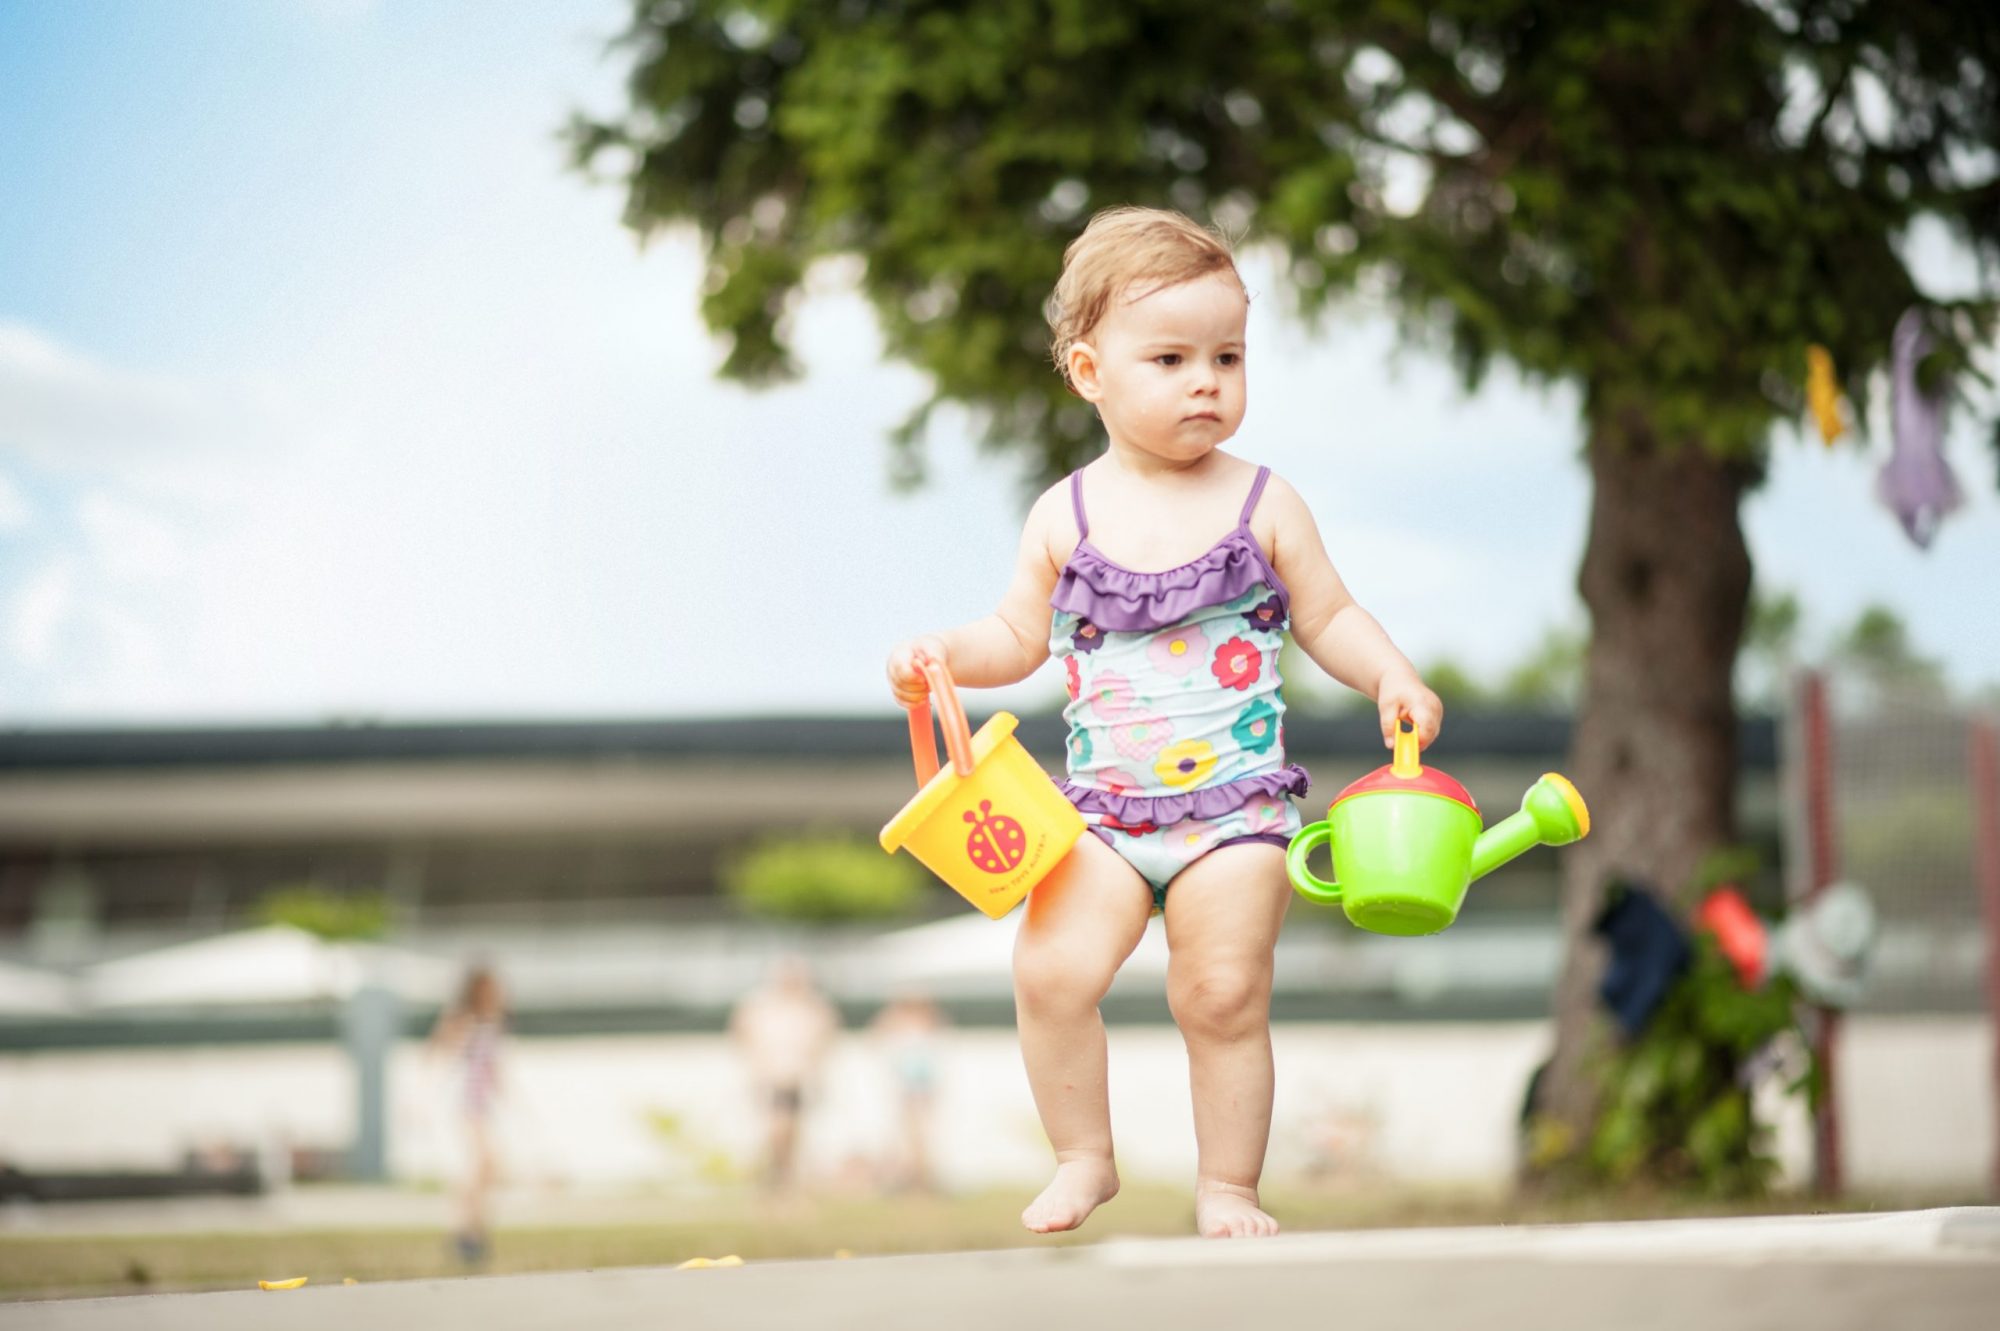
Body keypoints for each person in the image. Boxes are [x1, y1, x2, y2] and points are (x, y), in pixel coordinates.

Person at [885, 207, 1442, 1239]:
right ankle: (1082, 1154)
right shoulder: (1067, 515)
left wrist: (1389, 674)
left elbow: (1327, 613)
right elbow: (1018, 634)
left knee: (1220, 989)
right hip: (1101, 816)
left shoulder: (1263, 504)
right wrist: (944, 657)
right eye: (1172, 357)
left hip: (1234, 812)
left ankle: (1227, 1183)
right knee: (1048, 971)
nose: (1206, 379)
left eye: (1227, 355)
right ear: (1090, 371)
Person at [728, 956, 839, 1194]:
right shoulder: (761, 1005)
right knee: (778, 1131)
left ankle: (783, 1183)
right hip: (772, 1077)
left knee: (792, 1133)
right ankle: (776, 1181)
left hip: (797, 1077)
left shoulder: (812, 1006)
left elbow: (825, 1036)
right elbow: (742, 1033)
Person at [427, 964, 507, 1265]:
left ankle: (473, 1228)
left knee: (487, 1168)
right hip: (463, 1104)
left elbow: (495, 1068)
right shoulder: (464, 1020)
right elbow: (438, 1054)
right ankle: (464, 1230)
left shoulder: (492, 1023)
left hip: (482, 1105)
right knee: (482, 1164)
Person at [870, 991, 947, 1193]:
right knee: (911, 1135)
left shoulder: (927, 1023)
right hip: (908, 1085)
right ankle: (913, 1179)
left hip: (921, 1086)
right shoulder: (899, 1024)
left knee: (919, 1135)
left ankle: (920, 1180)